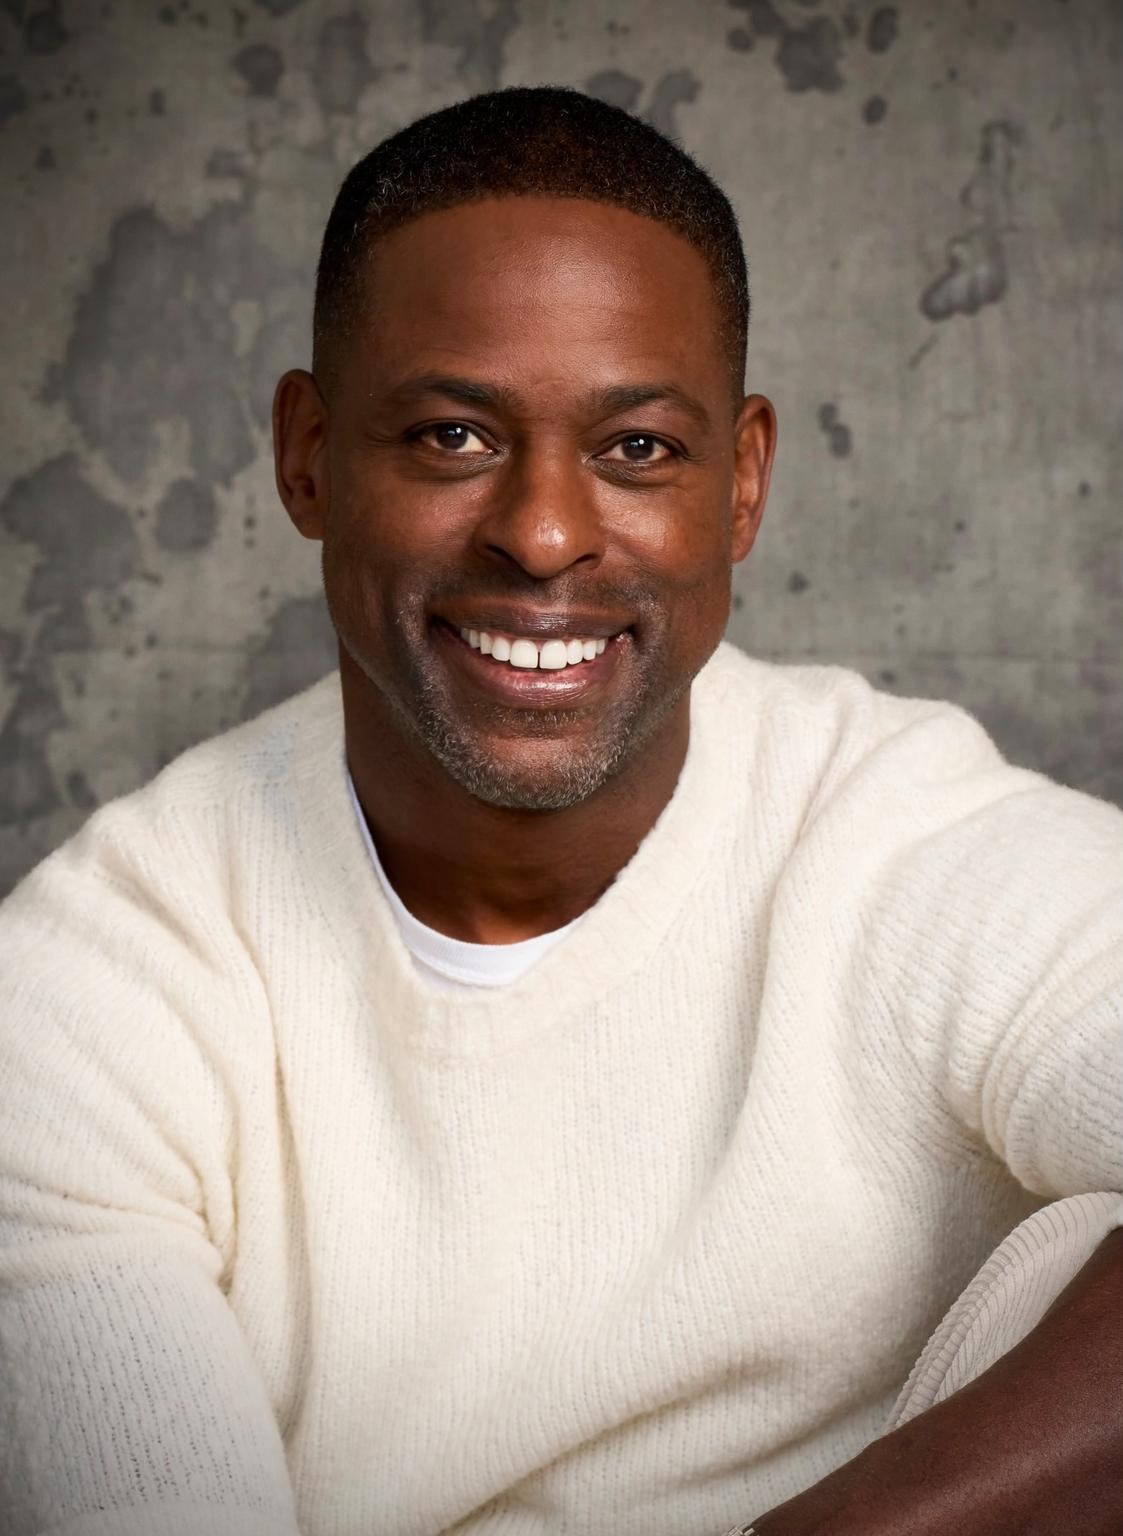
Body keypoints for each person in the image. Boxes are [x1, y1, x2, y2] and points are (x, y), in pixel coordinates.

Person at [0, 86, 1120, 1536]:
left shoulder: (897, 842)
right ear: (308, 456)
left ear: (744, 484)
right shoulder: (84, 998)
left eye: (637, 448)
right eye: (452, 436)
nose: (541, 533)